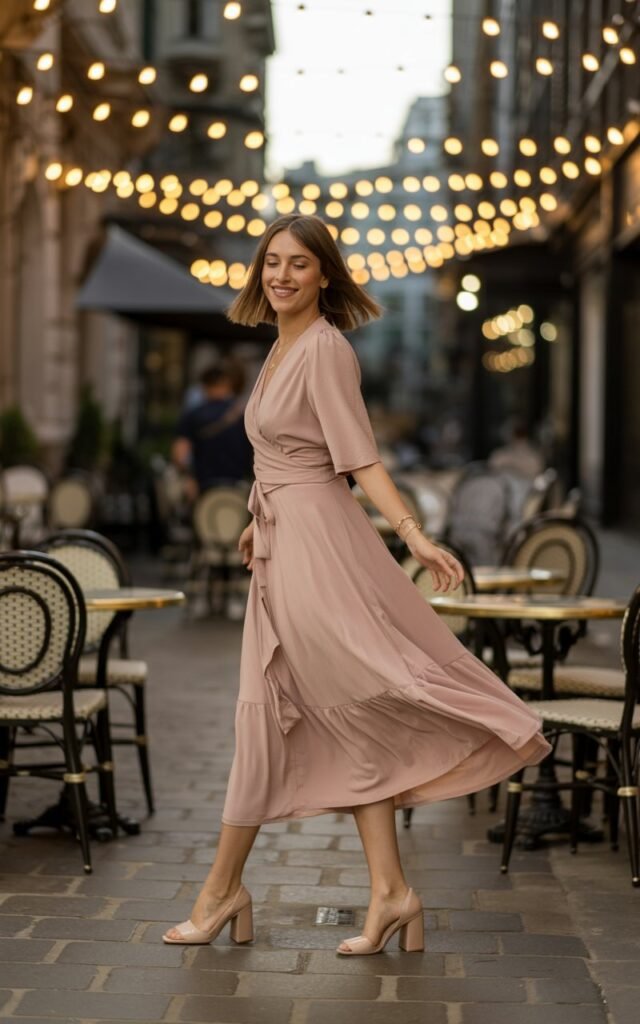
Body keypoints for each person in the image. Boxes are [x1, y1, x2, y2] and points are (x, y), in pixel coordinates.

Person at [163, 214, 551, 956]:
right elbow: (281, 455)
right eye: (271, 261)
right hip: (282, 544)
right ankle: (390, 893)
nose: (281, 275)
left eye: (298, 265)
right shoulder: (277, 350)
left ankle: (221, 893)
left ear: (325, 277)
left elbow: (359, 459)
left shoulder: (326, 349)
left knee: (307, 706)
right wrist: (255, 517)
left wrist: (413, 535)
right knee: (329, 713)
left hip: (317, 551)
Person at [172, 360, 253, 500]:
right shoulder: (244, 414)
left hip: (204, 488)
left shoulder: (193, 415)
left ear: (204, 385)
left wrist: (187, 477)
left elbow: (180, 454)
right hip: (238, 487)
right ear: (229, 384)